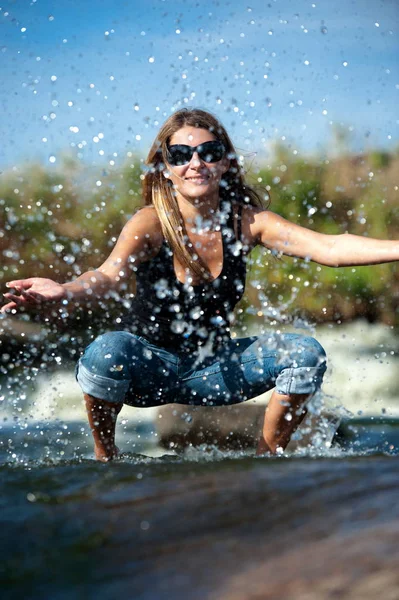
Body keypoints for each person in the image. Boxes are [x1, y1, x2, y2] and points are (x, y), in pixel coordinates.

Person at [2, 108, 398, 461]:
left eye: (209, 152)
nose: (196, 163)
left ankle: (267, 460)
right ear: (165, 165)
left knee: (305, 353)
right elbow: (106, 276)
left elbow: (329, 247)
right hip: (149, 371)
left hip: (216, 370)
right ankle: (105, 459)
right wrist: (65, 290)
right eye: (180, 155)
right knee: (106, 351)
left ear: (225, 162)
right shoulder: (150, 223)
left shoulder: (247, 223)